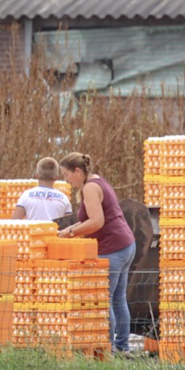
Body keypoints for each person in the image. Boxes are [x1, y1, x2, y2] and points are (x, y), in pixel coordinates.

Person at [57, 152, 136, 354]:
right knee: (118, 298)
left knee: (104, 299)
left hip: (112, 247)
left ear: (77, 171)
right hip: (125, 243)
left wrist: (71, 232)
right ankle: (122, 348)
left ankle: (106, 349)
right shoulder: (96, 181)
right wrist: (68, 230)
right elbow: (90, 220)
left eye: (67, 175)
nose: (66, 180)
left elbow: (96, 222)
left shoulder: (90, 188)